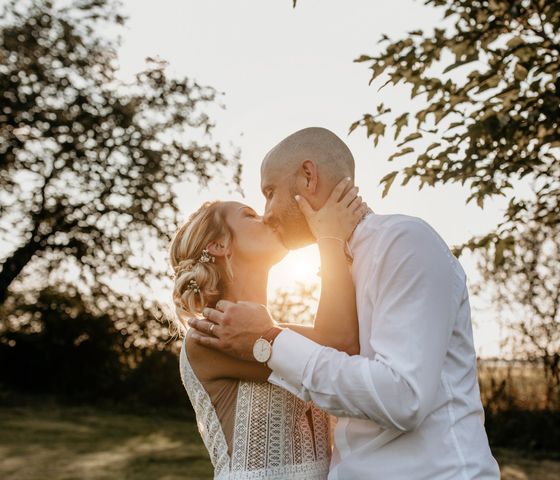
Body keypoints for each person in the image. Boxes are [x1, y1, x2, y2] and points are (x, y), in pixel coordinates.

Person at [189, 127, 501, 479]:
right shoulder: (342, 270)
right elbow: (340, 358)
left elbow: (404, 397)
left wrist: (271, 342)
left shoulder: (403, 242)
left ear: (308, 177)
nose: (267, 213)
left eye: (270, 192)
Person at [169, 179, 367, 479]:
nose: (268, 217)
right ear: (218, 245)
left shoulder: (276, 332)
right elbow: (340, 342)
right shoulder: (208, 335)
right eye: (250, 215)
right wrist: (329, 236)